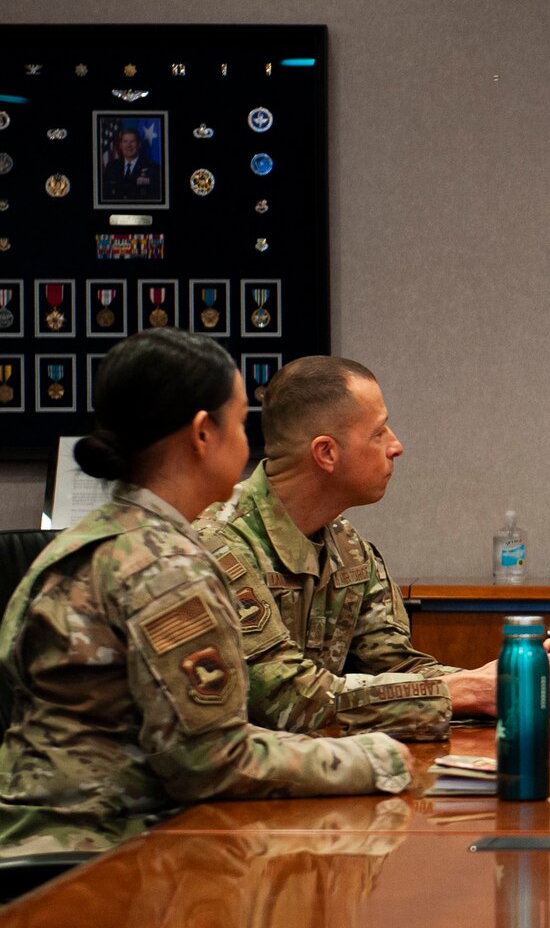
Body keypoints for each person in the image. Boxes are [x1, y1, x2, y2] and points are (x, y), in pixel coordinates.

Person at [0, 331, 412, 855]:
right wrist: (375, 759)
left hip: (42, 851)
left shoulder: (93, 539)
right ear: (201, 435)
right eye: (240, 423)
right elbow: (211, 759)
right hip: (95, 861)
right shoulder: (168, 566)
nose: (250, 445)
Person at [195, 356, 550, 743]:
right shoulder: (217, 547)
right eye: (378, 432)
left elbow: (393, 665)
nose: (396, 446)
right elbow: (286, 698)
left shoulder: (347, 547)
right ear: (326, 453)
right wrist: (461, 691)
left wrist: (493, 682)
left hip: (325, 773)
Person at [100, 127, 161, 202]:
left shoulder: (153, 168)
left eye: (132, 141)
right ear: (120, 145)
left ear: (139, 145)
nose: (129, 145)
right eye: (125, 141)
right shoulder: (111, 167)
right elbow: (104, 195)